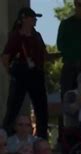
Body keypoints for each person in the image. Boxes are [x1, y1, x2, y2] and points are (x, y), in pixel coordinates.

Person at [1, 7, 53, 139]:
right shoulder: (16, 36)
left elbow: (45, 56)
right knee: (13, 108)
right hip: (21, 73)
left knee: (41, 109)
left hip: (37, 73)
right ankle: (5, 138)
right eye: (32, 17)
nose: (34, 20)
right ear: (23, 19)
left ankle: (42, 139)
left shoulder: (37, 36)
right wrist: (12, 72)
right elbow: (5, 57)